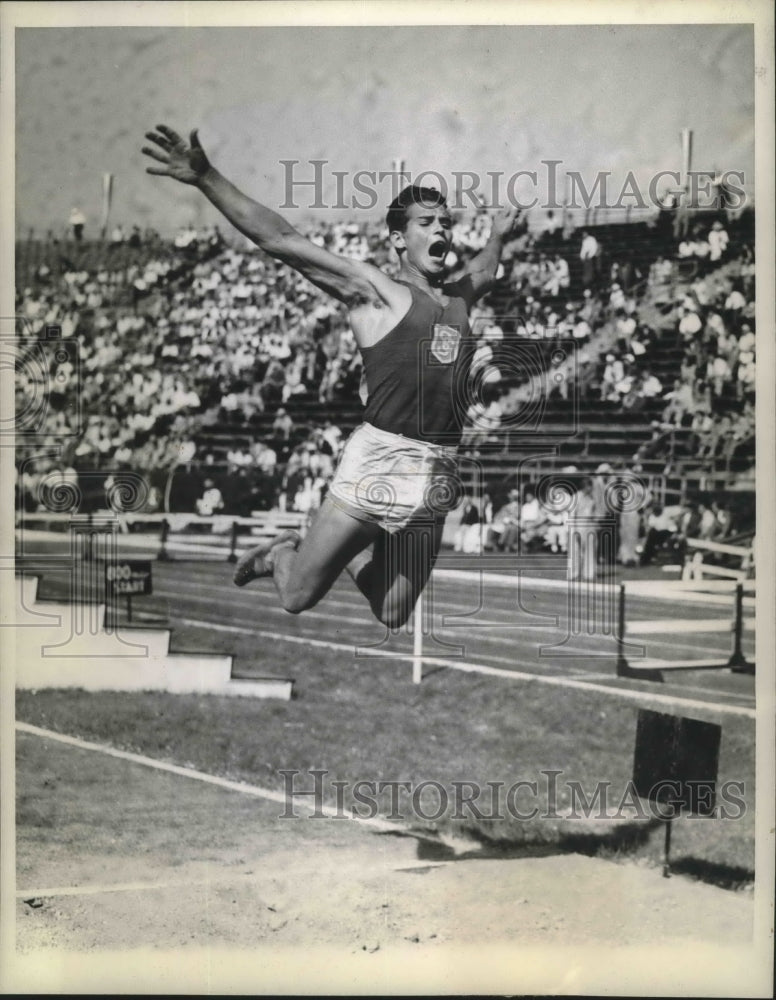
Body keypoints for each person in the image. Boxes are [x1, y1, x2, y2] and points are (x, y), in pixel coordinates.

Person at [143, 124, 518, 627]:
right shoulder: (373, 290)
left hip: (438, 467)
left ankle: (343, 551)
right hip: (380, 458)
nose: (442, 231)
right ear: (397, 239)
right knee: (296, 597)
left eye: (446, 222)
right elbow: (281, 239)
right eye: (426, 222)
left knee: (392, 612)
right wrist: (206, 176)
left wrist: (497, 236)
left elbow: (488, 271)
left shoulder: (458, 298)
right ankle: (283, 553)